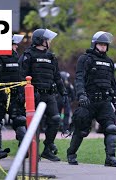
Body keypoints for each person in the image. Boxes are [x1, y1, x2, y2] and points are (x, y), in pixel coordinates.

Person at [66, 31, 116, 167]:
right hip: (88, 101)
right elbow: (79, 78)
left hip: (104, 102)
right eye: (101, 44)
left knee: (111, 128)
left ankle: (110, 158)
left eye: (105, 45)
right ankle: (71, 154)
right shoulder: (85, 59)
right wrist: (81, 95)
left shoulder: (109, 62)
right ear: (95, 44)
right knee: (82, 130)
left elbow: (112, 83)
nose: (103, 47)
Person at [20, 28, 68, 161]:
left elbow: (57, 77)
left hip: (49, 95)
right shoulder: (28, 55)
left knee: (56, 119)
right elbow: (22, 77)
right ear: (40, 40)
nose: (49, 42)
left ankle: (47, 149)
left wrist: (63, 92)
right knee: (34, 124)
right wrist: (24, 95)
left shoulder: (51, 56)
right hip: (33, 96)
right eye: (47, 39)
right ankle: (33, 151)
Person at [0, 34, 26, 148]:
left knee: (20, 120)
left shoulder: (16, 58)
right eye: (14, 44)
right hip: (0, 95)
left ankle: (25, 149)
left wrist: (21, 93)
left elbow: (19, 77)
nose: (16, 47)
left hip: (14, 95)